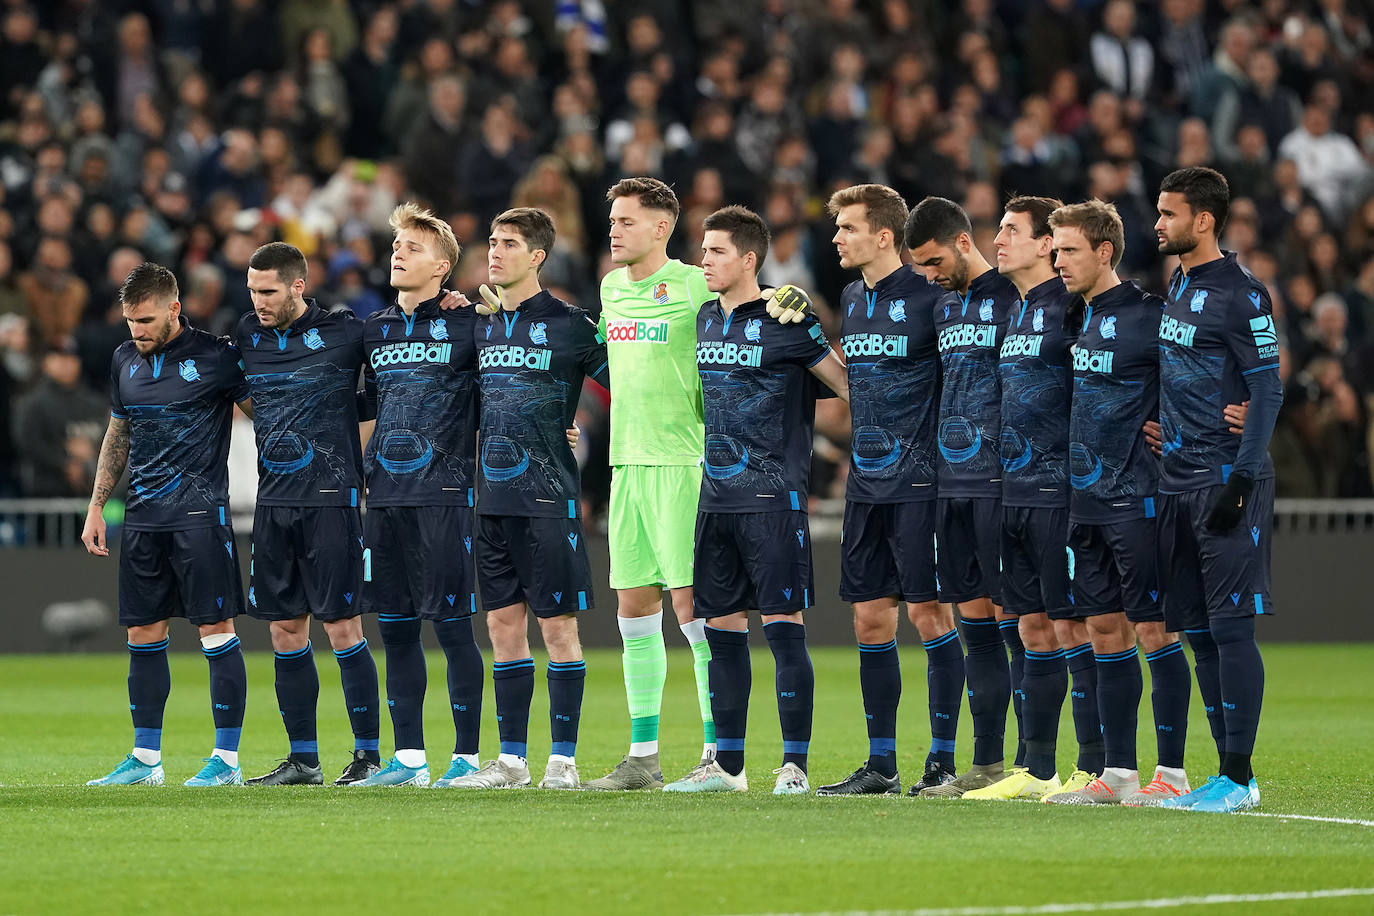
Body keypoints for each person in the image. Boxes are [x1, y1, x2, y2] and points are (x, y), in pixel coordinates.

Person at [663, 205, 849, 796]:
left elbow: (846, 384)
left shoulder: (786, 319)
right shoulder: (703, 321)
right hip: (715, 501)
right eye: (703, 250)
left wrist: (813, 319)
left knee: (784, 627)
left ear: (749, 258)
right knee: (720, 630)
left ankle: (794, 768)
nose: (705, 260)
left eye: (716, 251)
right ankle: (728, 768)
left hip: (773, 500)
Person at [447, 207, 608, 790]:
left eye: (509, 243)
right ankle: (511, 761)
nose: (494, 251)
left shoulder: (570, 324)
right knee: (501, 626)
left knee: (558, 629)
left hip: (549, 500)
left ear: (537, 256)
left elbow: (631, 385)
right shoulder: (478, 323)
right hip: (491, 502)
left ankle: (562, 760)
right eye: (492, 241)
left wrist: (581, 434)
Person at [810, 185, 962, 796]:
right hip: (867, 485)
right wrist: (810, 345)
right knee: (870, 620)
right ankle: (880, 765)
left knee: (928, 614)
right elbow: (853, 388)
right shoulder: (852, 297)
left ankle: (945, 760)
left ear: (883, 235)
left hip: (922, 486)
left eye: (847, 227)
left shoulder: (932, 297)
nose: (837, 238)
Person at [1044, 199, 1192, 805]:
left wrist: (1174, 423)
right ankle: (1120, 774)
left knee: (1155, 630)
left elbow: (1203, 369)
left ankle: (1174, 774)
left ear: (1105, 252)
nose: (1058, 262)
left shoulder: (1149, 314)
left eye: (1069, 250)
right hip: (1087, 503)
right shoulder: (1072, 315)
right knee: (1105, 629)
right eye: (1054, 250)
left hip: (1140, 500)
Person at [82, 262, 250, 787]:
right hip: (144, 520)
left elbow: (267, 417)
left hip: (201, 519)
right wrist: (96, 506)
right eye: (130, 321)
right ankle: (146, 760)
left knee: (215, 632)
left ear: (175, 309)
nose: (137, 331)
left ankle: (226, 759)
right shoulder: (123, 360)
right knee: (142, 633)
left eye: (147, 320)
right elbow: (119, 434)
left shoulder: (217, 357)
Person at [962, 195, 1101, 802]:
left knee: (1075, 630)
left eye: (1012, 231)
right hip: (1011, 493)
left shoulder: (1071, 309)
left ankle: (1098, 766)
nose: (999, 241)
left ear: (1047, 243)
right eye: (998, 231)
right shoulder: (1015, 311)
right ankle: (1037, 768)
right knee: (1030, 630)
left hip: (1061, 498)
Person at [583, 177, 717, 791]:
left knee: (694, 609)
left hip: (684, 462)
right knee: (635, 606)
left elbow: (748, 309)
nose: (614, 230)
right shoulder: (612, 288)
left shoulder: (693, 283)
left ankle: (721, 752)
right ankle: (643, 756)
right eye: (612, 220)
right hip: (626, 465)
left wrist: (783, 298)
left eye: (627, 220)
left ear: (661, 227)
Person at [1154, 167, 1280, 813]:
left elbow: (1268, 385)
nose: (1158, 224)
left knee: (1231, 632)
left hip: (1223, 483)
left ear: (1202, 220)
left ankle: (1239, 774)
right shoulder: (1178, 283)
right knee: (1198, 634)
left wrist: (1241, 475)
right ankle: (1224, 773)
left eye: (1168, 213)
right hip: (1176, 482)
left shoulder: (1242, 293)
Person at [237, 242, 381, 787]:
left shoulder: (346, 334)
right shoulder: (248, 334)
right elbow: (240, 395)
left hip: (332, 504)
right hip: (274, 505)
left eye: (268, 290)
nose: (258, 300)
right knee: (283, 631)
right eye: (252, 289)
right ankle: (303, 760)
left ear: (299, 285)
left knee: (343, 628)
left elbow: (389, 384)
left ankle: (368, 757)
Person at [350, 203, 484, 788]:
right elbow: (367, 408)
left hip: (444, 496)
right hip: (385, 499)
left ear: (443, 267)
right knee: (396, 630)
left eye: (414, 247)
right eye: (397, 244)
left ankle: (468, 759)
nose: (399, 253)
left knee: (453, 629)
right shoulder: (373, 330)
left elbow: (506, 388)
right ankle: (408, 759)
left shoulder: (468, 324)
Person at [904, 197, 1023, 798]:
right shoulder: (944, 304)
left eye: (933, 261)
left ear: (961, 241)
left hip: (1003, 483)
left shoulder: (1016, 294)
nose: (929, 275)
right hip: (951, 486)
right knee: (973, 622)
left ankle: (1036, 766)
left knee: (1017, 623)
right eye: (920, 267)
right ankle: (986, 764)